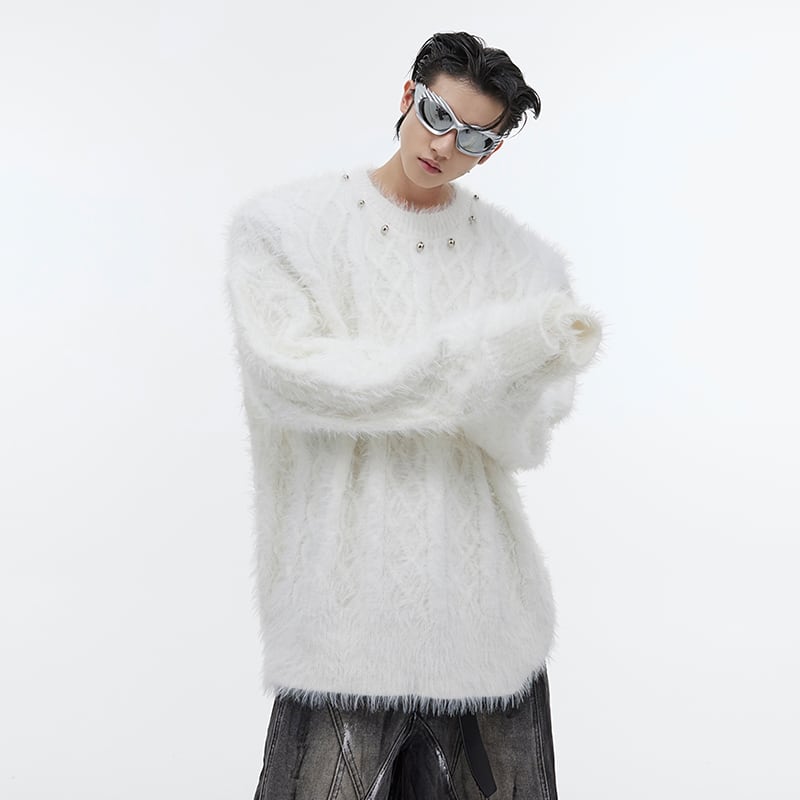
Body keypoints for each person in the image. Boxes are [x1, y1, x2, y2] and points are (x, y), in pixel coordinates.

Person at [223, 30, 604, 799]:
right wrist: (489, 352)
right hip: (342, 618)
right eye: (436, 115)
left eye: (475, 138)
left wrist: (511, 367)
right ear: (408, 96)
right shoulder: (287, 229)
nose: (444, 145)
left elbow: (523, 440)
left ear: (492, 151)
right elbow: (289, 379)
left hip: (485, 619)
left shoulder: (524, 265)